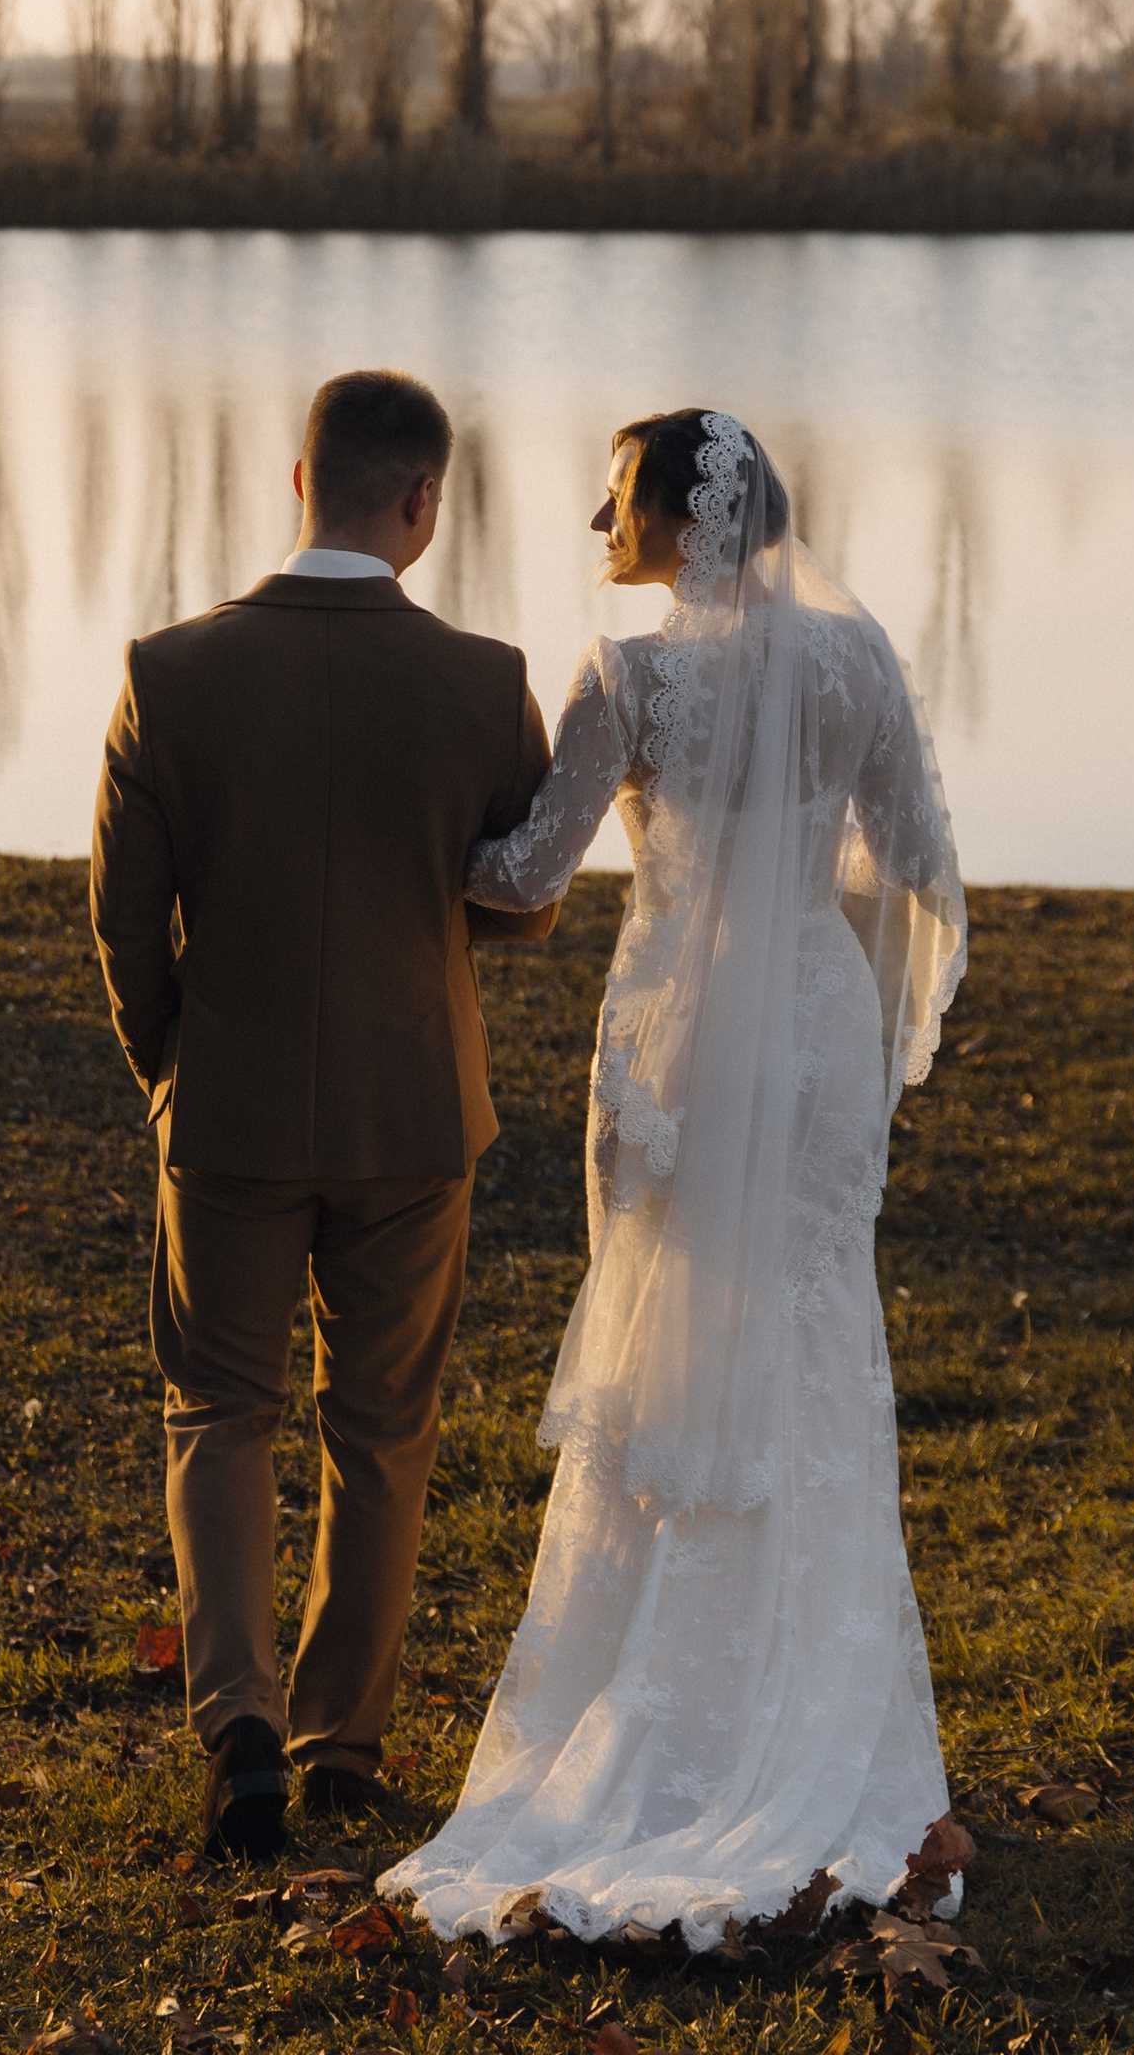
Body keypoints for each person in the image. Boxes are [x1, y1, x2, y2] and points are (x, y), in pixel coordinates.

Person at [382, 404, 967, 1952]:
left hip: (687, 1045)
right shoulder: (857, 662)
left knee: (672, 1334)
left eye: (618, 495)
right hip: (817, 1031)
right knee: (810, 1332)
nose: (596, 521)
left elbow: (521, 877)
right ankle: (807, 1698)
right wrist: (791, 888)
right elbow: (910, 863)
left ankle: (663, 1718)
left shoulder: (631, 678)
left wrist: (398, 837)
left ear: (683, 520)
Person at [89, 366, 559, 1862]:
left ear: (300, 486)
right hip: (415, 1111)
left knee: (219, 1410)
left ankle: (235, 1723)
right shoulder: (486, 682)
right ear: (422, 504)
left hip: (224, 1107)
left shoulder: (168, 671)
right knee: (381, 1427)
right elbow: (523, 899)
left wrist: (172, 1058)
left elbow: (122, 914)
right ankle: (339, 1743)